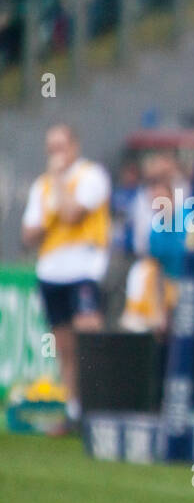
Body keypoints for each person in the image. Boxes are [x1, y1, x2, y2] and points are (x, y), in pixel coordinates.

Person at [20, 124, 111, 429]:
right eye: (52, 148)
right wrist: (52, 210)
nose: (56, 155)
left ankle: (99, 404)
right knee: (65, 346)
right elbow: (29, 233)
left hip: (83, 269)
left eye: (60, 147)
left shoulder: (91, 176)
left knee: (88, 333)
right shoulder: (41, 186)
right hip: (52, 271)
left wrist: (59, 185)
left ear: (74, 146)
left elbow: (73, 214)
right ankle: (73, 409)